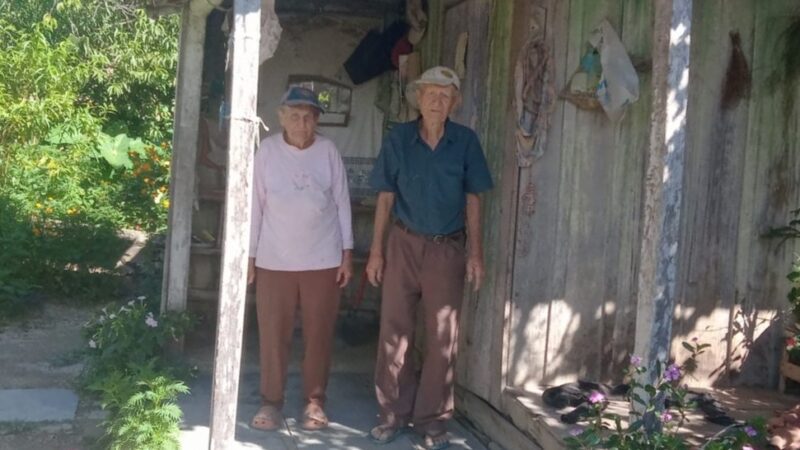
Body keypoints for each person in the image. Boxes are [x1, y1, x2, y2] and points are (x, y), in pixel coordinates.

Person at [366, 66, 494, 449]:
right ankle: (392, 414)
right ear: (418, 99)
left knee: (442, 336)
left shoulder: (465, 141)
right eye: (430, 94)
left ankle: (432, 422)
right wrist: (375, 251)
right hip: (403, 244)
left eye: (445, 96)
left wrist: (475, 253)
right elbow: (385, 197)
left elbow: (473, 197)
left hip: (447, 248)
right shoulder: (399, 139)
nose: (437, 102)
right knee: (394, 332)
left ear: (454, 102)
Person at [248, 86, 353, 431]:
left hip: (322, 259)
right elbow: (254, 206)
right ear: (281, 117)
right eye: (294, 116)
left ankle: (314, 401)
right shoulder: (267, 151)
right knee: (273, 333)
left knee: (318, 333)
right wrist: (248, 256)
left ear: (316, 120)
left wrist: (347, 254)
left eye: (308, 117)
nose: (301, 123)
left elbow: (342, 203)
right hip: (273, 259)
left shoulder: (328, 151)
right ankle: (271, 401)